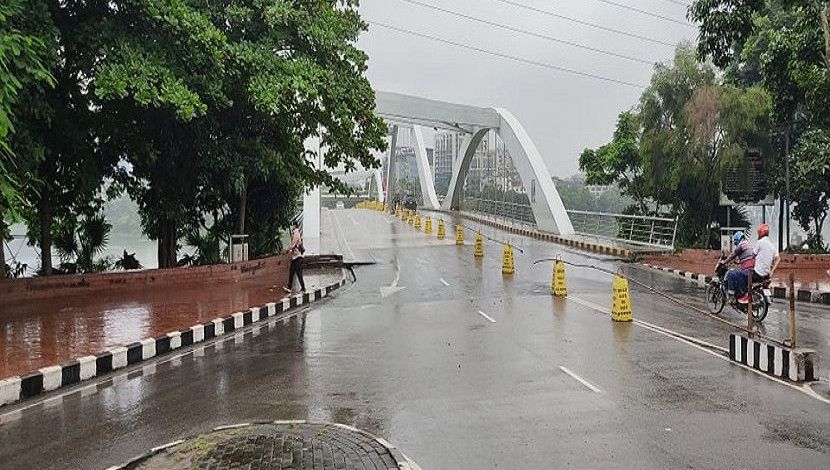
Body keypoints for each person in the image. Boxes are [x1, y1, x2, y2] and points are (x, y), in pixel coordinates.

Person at [730, 224, 780, 304]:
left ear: (760, 233)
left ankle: (743, 296)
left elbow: (753, 254)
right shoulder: (772, 245)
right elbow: (778, 259)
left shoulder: (760, 242)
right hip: (766, 274)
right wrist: (772, 271)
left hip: (757, 273)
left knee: (736, 274)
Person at [724, 231, 755, 300]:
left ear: (737, 239)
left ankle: (733, 297)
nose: (735, 243)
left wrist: (724, 262)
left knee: (731, 274)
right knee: (738, 273)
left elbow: (733, 255)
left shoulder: (742, 245)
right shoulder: (748, 244)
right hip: (751, 268)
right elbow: (746, 258)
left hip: (748, 270)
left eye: (735, 240)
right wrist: (737, 262)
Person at [283, 223, 306, 293]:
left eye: (292, 225)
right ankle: (289, 287)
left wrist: (288, 250)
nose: (291, 226)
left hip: (298, 257)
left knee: (298, 274)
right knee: (291, 272)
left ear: (295, 225)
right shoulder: (295, 233)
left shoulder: (296, 233)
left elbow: (294, 244)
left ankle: (303, 288)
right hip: (295, 257)